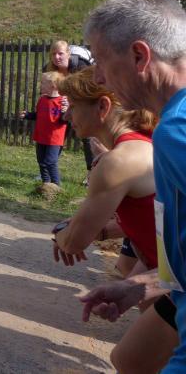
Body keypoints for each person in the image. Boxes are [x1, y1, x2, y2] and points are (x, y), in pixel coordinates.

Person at [78, 0, 186, 373]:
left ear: (139, 56)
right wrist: (142, 285)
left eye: (100, 61)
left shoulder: (176, 131)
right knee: (129, 360)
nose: (98, 77)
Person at [48, 67, 173, 372]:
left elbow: (74, 241)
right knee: (142, 354)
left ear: (102, 107)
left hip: (173, 269)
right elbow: (155, 216)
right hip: (167, 266)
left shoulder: (118, 161)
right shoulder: (146, 141)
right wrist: (100, 231)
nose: (66, 115)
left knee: (130, 360)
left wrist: (63, 231)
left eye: (73, 106)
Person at [46, 40, 102, 183]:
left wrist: (70, 99)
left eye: (60, 53)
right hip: (63, 104)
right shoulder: (49, 68)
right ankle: (48, 169)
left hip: (88, 100)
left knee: (87, 136)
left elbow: (89, 89)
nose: (57, 57)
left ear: (68, 54)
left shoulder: (80, 66)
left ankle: (92, 173)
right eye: (53, 54)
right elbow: (47, 89)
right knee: (57, 132)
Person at [20, 71, 68, 188]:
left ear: (53, 86)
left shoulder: (62, 102)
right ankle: (46, 184)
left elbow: (64, 121)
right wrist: (28, 115)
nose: (40, 85)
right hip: (41, 136)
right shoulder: (42, 99)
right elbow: (39, 115)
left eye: (43, 83)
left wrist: (64, 112)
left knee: (50, 161)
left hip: (54, 138)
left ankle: (56, 186)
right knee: (41, 161)